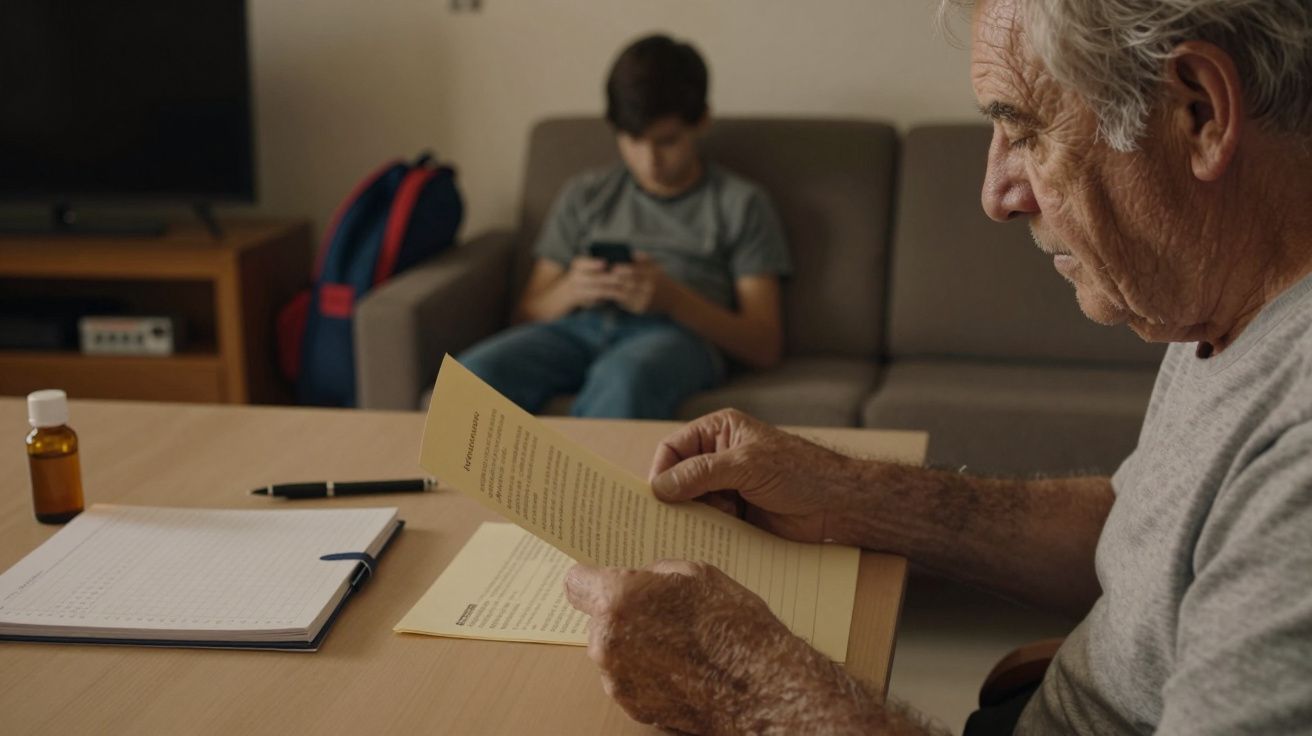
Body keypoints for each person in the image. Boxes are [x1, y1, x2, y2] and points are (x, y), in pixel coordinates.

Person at [562, 0, 1312, 734]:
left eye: (1026, 131)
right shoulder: (1221, 299)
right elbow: (1133, 533)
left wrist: (745, 684)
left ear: (1199, 114)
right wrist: (843, 491)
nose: (994, 195)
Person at [458, 34, 791, 420]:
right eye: (633, 140)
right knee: (472, 375)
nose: (650, 161)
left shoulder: (740, 203)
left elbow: (765, 344)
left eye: (666, 141)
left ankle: (582, 483)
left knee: (623, 377)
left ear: (702, 121)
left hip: (676, 339)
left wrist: (672, 300)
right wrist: (570, 291)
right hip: (578, 329)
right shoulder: (586, 194)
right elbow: (526, 314)